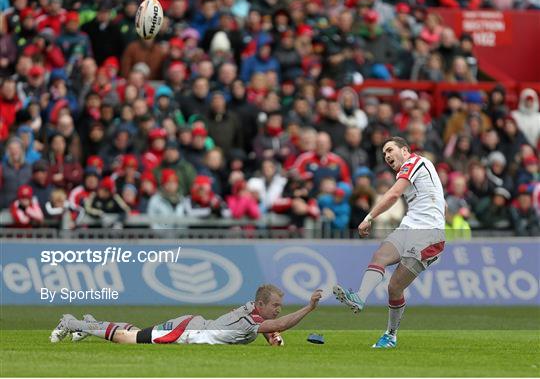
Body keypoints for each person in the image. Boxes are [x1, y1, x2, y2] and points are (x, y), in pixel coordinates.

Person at [333, 136, 445, 348]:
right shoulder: (421, 170)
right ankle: (359, 297)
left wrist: (368, 217)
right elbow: (441, 202)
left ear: (405, 151)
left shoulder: (414, 162)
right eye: (384, 153)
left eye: (390, 150)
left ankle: (391, 335)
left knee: (394, 287)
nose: (386, 155)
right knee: (380, 256)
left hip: (427, 235)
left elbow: (393, 194)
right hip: (409, 228)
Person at [51, 285, 322, 346]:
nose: (278, 310)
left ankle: (89, 323)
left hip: (192, 326)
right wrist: (309, 308)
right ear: (260, 304)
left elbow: (267, 324)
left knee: (136, 332)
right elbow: (277, 324)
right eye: (274, 305)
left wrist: (270, 335)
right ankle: (70, 321)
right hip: (186, 331)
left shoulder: (251, 311)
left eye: (279, 306)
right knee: (128, 339)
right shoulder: (253, 318)